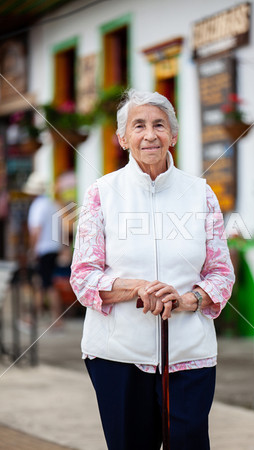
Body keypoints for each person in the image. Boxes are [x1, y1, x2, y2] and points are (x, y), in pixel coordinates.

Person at [70, 89, 235, 450]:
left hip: (189, 354)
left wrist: (187, 299)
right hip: (118, 356)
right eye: (138, 125)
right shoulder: (102, 192)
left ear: (172, 136)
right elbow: (83, 277)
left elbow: (222, 273)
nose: (150, 134)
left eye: (159, 125)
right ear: (123, 138)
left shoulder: (201, 193)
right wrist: (139, 288)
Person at [23, 172, 62, 327]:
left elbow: (36, 230)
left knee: (45, 284)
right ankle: (41, 317)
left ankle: (52, 318)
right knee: (45, 284)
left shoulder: (37, 206)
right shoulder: (51, 204)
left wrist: (31, 249)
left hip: (43, 249)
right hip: (53, 248)